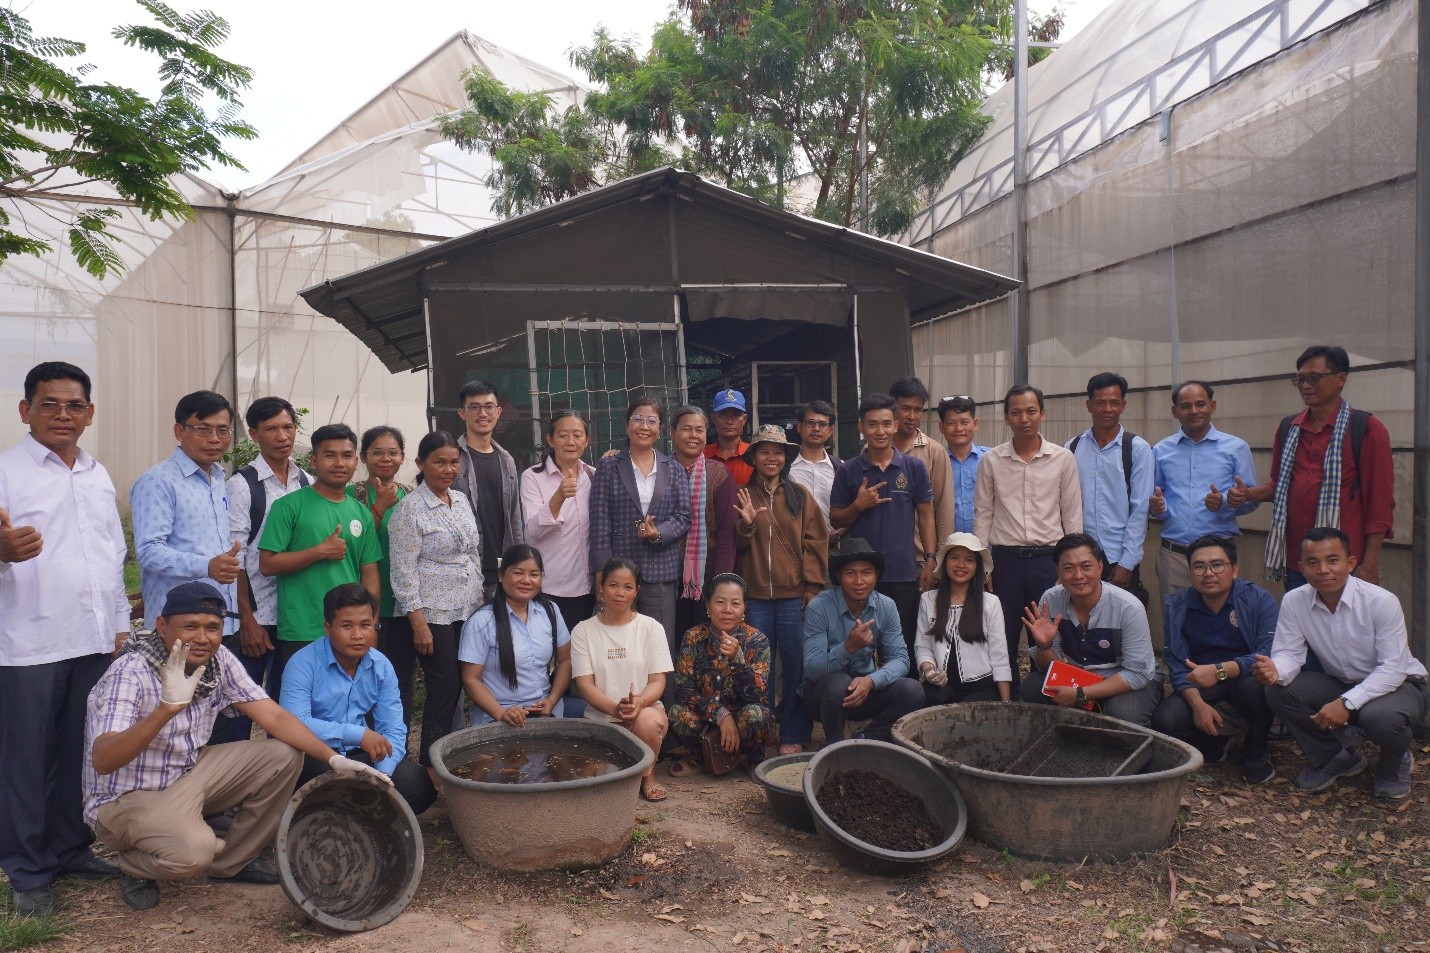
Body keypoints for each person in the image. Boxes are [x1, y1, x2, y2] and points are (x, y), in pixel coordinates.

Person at [83, 582, 389, 911]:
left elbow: (273, 716)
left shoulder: (218, 660)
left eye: (213, 627)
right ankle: (132, 864)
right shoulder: (130, 671)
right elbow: (104, 759)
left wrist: (333, 759)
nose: (203, 637)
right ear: (161, 626)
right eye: (190, 626)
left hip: (184, 775)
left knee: (283, 754)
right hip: (126, 798)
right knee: (194, 853)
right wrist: (165, 709)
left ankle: (232, 862)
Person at [0, 362, 126, 917]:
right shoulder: (6, 472)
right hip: (27, 642)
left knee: (80, 752)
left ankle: (71, 847)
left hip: (91, 639)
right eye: (48, 404)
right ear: (25, 410)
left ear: (89, 414)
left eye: (74, 405)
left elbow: (113, 553)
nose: (62, 414)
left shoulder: (97, 475)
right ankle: (28, 869)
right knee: (26, 761)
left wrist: (117, 622)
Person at [1252, 528, 1429, 799]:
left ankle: (1394, 765)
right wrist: (1276, 670)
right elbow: (1289, 653)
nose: (1323, 570)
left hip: (1401, 685)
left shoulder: (1381, 601)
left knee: (1379, 717)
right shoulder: (1294, 601)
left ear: (1351, 563)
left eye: (1333, 560)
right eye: (1312, 562)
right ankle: (1337, 758)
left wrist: (1347, 703)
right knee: (1278, 691)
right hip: (1342, 682)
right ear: (1301, 567)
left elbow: (1392, 669)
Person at [1229, 346, 1393, 589]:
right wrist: (1248, 495)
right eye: (1300, 379)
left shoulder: (1366, 428)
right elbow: (1280, 486)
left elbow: (1379, 503)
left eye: (1314, 378)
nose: (1305, 386)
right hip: (1298, 560)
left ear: (1341, 379)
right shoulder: (1290, 428)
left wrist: (1370, 563)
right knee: (1300, 614)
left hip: (1344, 562)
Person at [280, 584, 436, 815]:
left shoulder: (380, 665)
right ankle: (345, 816)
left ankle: (359, 817)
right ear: (328, 628)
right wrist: (358, 734)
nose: (357, 635)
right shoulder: (302, 664)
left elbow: (393, 728)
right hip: (316, 754)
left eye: (365, 625)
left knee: (417, 785)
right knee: (331, 786)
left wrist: (382, 775)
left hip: (361, 754)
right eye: (346, 626)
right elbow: (293, 723)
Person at [257, 423, 382, 704]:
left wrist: (371, 625)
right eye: (330, 455)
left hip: (350, 630)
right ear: (313, 461)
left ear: (356, 461)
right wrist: (319, 551)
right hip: (302, 629)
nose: (339, 463)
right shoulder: (288, 506)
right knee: (297, 711)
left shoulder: (360, 512)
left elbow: (370, 574)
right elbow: (267, 564)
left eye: (346, 456)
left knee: (349, 705)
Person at [974, 384, 1082, 691]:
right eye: (1016, 412)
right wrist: (983, 565)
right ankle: (1005, 699)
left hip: (1048, 561)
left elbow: (1072, 515)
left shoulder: (1062, 459)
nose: (1024, 419)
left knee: (1049, 634)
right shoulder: (992, 460)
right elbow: (983, 514)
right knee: (1003, 633)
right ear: (1006, 417)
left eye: (1031, 411)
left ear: (1042, 414)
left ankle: (1045, 694)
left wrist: (1069, 565)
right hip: (1005, 560)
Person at [387, 431, 484, 773]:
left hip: (467, 607)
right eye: (439, 462)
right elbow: (402, 571)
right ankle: (431, 764)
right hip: (431, 613)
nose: (448, 469)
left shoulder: (460, 499)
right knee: (445, 685)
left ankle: (451, 753)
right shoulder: (409, 509)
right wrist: (418, 623)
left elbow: (472, 553)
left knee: (463, 682)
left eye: (454, 462)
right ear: (420, 464)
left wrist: (480, 599)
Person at [217, 396, 310, 745]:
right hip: (256, 615)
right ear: (254, 435)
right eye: (271, 429)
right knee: (238, 707)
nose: (282, 436)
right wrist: (246, 620)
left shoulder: (306, 481)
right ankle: (231, 776)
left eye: (288, 427)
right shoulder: (242, 485)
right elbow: (235, 555)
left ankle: (280, 773)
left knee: (289, 707)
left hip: (294, 615)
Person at [1151, 536, 1278, 784]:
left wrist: (1221, 670)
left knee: (1254, 687)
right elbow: (1175, 661)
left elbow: (1268, 653)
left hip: (1243, 679)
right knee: (1165, 721)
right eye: (1199, 566)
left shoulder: (1258, 600)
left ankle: (1256, 752)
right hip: (1200, 684)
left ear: (1234, 569)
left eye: (1217, 565)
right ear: (1190, 572)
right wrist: (1197, 704)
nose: (1208, 573)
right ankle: (1216, 739)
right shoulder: (1177, 605)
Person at [734, 425, 827, 755]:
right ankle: (761, 733)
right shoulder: (743, 495)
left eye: (777, 452)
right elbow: (734, 547)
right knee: (759, 668)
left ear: (786, 457)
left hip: (793, 598)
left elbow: (816, 541)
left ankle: (793, 732)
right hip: (756, 597)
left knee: (795, 666)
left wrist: (812, 586)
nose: (771, 457)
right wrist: (746, 526)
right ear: (754, 457)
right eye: (764, 451)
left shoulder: (799, 495)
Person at [829, 393, 936, 661]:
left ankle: (902, 688)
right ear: (861, 427)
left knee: (901, 646)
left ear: (896, 425)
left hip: (902, 571)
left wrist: (931, 560)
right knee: (860, 647)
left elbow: (926, 516)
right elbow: (836, 519)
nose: (880, 431)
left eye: (887, 424)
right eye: (873, 424)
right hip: (860, 576)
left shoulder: (914, 467)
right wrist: (858, 505)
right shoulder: (848, 470)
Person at [588, 396, 692, 664]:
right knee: (618, 646)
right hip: (618, 573)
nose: (644, 426)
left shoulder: (674, 469)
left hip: (660, 570)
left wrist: (659, 533)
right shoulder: (608, 466)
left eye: (651, 420)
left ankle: (660, 693)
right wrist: (602, 573)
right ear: (627, 426)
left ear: (660, 429)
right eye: (637, 419)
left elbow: (683, 516)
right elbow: (599, 520)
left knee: (659, 646)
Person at [1019, 533, 1161, 727]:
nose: (1078, 576)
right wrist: (1044, 646)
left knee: (1122, 713)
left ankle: (1103, 713)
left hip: (1124, 678)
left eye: (1086, 566)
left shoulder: (1128, 607)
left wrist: (1081, 693)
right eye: (1068, 568)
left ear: (1100, 567)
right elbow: (1051, 669)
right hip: (1081, 676)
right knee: (1032, 686)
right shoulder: (1050, 600)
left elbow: (1138, 673)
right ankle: (1084, 718)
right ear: (1058, 571)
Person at [130, 389, 241, 635]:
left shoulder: (218, 479)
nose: (215, 439)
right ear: (179, 431)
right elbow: (148, 551)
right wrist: (206, 566)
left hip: (221, 622)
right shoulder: (158, 481)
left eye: (223, 430)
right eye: (203, 429)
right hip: (180, 626)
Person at [571, 558, 674, 802]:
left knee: (648, 720)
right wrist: (615, 709)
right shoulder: (583, 631)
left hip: (644, 714)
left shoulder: (651, 628)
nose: (620, 593)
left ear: (637, 591)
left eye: (628, 587)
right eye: (613, 585)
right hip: (601, 720)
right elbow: (585, 685)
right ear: (601, 587)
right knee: (597, 781)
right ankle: (624, 776)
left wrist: (640, 702)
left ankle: (647, 775)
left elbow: (658, 681)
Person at [801, 538, 923, 744]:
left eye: (866, 572)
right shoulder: (819, 607)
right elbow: (812, 669)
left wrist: (871, 681)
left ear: (876, 575)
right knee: (838, 683)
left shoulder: (886, 606)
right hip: (823, 696)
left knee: (913, 691)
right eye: (850, 573)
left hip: (865, 690)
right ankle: (836, 746)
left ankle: (866, 741)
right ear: (839, 576)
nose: (859, 581)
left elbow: (901, 659)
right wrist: (848, 648)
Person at [1147, 381, 1259, 601]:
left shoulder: (1236, 448)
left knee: (1222, 618)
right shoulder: (1160, 450)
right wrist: (1157, 508)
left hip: (1219, 556)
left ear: (1212, 406)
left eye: (1200, 404)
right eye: (1185, 406)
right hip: (1175, 557)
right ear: (1174, 411)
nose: (1194, 411)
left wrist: (1227, 502)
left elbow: (1252, 500)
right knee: (1176, 618)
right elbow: (1157, 499)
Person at [668, 573, 775, 774]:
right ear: (708, 606)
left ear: (744, 608)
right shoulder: (693, 637)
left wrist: (738, 660)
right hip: (708, 720)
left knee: (758, 715)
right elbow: (683, 690)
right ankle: (700, 757)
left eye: (735, 603)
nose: (727, 610)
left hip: (742, 720)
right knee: (676, 713)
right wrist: (720, 714)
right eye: (720, 602)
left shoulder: (757, 640)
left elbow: (760, 696)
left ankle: (754, 760)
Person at [459, 544, 571, 726]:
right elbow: (471, 679)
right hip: (498, 717)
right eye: (518, 573)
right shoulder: (481, 621)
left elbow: (565, 660)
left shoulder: (550, 611)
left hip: (545, 712)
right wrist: (501, 713)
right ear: (501, 575)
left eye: (534, 575)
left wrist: (552, 700)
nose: (527, 580)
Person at [1066, 372, 1153, 603]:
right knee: (1080, 617)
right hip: (1081, 557)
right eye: (1100, 403)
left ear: (1123, 405)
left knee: (1120, 619)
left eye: (1114, 403)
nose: (1107, 409)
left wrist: (1128, 563)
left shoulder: (1137, 449)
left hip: (1120, 557)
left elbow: (1140, 509)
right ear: (1089, 405)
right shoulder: (1072, 448)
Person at [350, 427, 414, 718]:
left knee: (399, 680)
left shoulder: (411, 496)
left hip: (402, 604)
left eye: (393, 453)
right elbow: (354, 546)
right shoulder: (351, 495)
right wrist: (378, 508)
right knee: (360, 678)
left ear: (402, 457)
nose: (386, 459)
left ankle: (397, 739)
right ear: (364, 457)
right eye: (377, 452)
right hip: (360, 604)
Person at [520, 411, 597, 633]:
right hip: (548, 586)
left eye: (577, 435)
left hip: (587, 587)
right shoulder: (533, 477)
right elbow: (533, 533)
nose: (571, 442)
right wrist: (559, 496)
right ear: (550, 440)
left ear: (587, 440)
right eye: (563, 435)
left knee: (579, 649)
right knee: (549, 648)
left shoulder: (593, 475)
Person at [914, 533, 1011, 705]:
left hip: (981, 686)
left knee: (972, 713)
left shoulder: (990, 602)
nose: (961, 565)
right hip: (942, 685)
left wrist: (1006, 704)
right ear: (945, 563)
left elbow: (1000, 655)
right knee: (920, 697)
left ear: (977, 566)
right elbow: (923, 646)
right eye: (954, 558)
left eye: (969, 560)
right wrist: (929, 671)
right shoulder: (928, 600)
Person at [669, 406, 737, 639]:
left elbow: (727, 533)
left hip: (706, 573)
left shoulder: (719, 474)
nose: (693, 435)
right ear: (672, 433)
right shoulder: (659, 471)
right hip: (665, 573)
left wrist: (720, 582)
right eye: (686, 429)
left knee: (706, 640)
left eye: (699, 430)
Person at [453, 381, 524, 601]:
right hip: (461, 570)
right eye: (474, 407)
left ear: (498, 412)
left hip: (501, 571)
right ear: (462, 413)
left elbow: (514, 516)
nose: (482, 413)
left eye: (488, 407)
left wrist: (519, 562)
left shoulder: (507, 460)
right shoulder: (452, 459)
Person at [889, 377, 955, 547]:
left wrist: (940, 556)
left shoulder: (935, 452)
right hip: (880, 552)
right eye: (906, 409)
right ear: (893, 408)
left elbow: (944, 508)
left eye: (918, 410)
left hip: (921, 554)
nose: (912, 416)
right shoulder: (874, 449)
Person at [936, 395, 989, 536]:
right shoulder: (936, 463)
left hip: (986, 543)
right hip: (948, 543)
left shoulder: (990, 459)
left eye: (964, 422)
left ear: (975, 424)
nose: (959, 428)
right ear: (941, 427)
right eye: (951, 423)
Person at [788, 399, 840, 531]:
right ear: (799, 427)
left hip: (833, 541)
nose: (816, 428)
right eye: (810, 423)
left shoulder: (840, 468)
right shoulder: (785, 467)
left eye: (822, 424)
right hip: (792, 541)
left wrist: (837, 535)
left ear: (830, 431)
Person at [703, 388, 753, 486]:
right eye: (723, 415)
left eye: (736, 415)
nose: (729, 421)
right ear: (713, 418)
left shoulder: (754, 456)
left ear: (744, 419)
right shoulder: (701, 456)